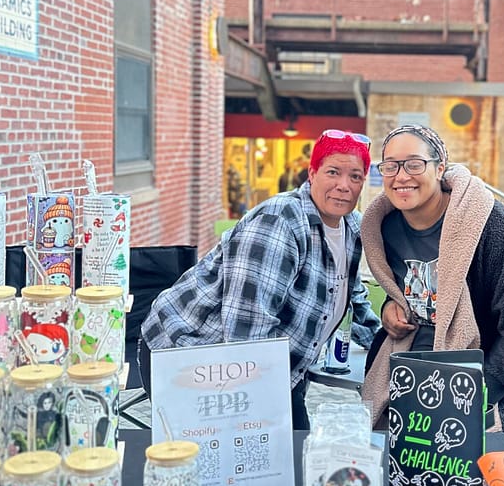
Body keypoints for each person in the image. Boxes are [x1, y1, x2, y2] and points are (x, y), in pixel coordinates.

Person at [140, 130, 381, 429]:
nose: (344, 185)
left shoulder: (351, 227)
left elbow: (350, 296)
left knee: (284, 456)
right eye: (333, 172)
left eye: (355, 177)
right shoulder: (280, 222)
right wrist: (262, 415)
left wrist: (384, 347)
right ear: (312, 173)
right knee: (226, 463)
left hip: (266, 366)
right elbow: (247, 329)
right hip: (194, 357)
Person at [360, 124, 504, 431]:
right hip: (422, 357)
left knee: (466, 438)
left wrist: (475, 394)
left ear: (440, 166)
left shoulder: (491, 225)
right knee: (396, 437)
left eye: (414, 164)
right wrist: (390, 305)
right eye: (391, 166)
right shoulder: (387, 228)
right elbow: (412, 286)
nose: (401, 176)